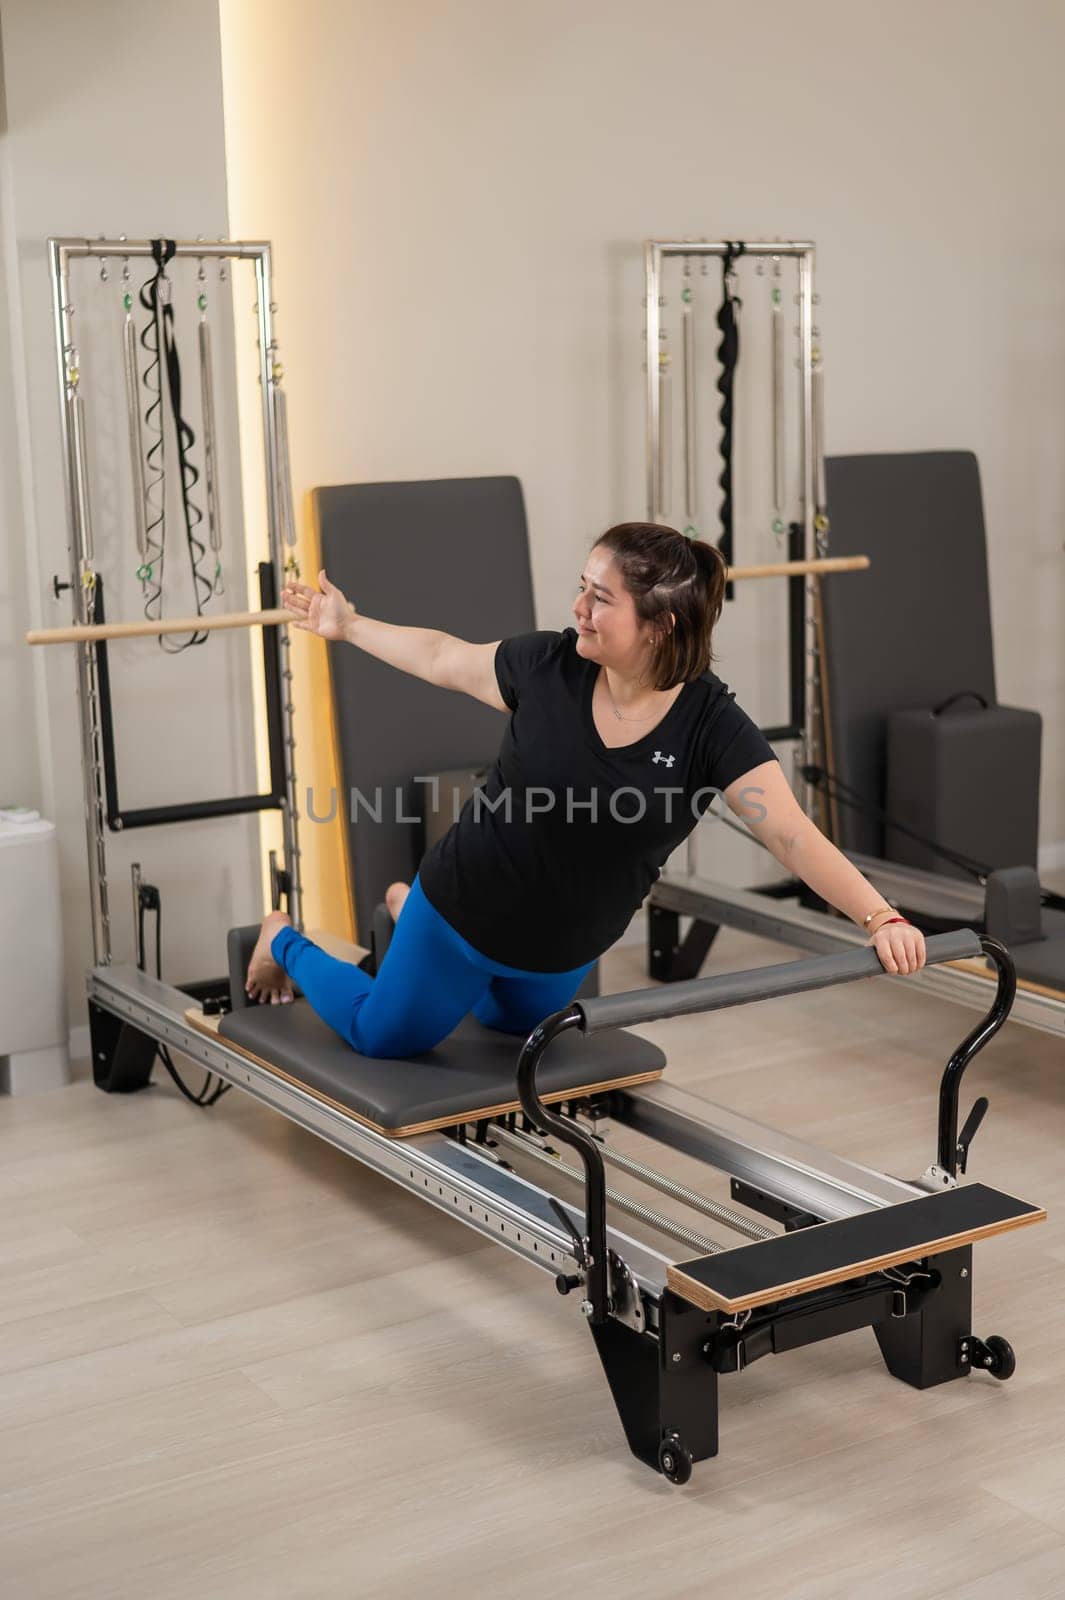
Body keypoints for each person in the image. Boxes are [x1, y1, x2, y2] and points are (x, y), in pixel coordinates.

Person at [245, 523, 925, 1057]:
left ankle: (399, 909)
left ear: (660, 625)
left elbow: (789, 833)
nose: (578, 609)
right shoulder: (547, 667)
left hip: (560, 949)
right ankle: (285, 940)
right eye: (582, 588)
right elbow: (441, 656)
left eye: (600, 599)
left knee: (513, 1029)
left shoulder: (710, 727)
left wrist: (878, 916)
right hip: (465, 908)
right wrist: (347, 624)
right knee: (382, 1035)